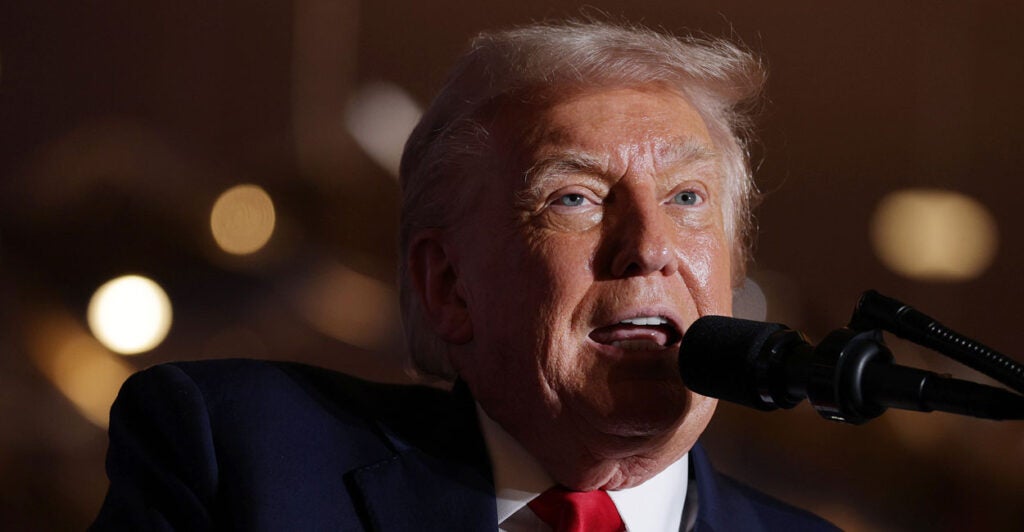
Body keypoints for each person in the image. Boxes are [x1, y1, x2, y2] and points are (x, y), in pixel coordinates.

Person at [91, 21, 837, 531]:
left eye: (686, 199)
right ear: (447, 284)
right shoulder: (240, 461)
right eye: (574, 198)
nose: (649, 247)